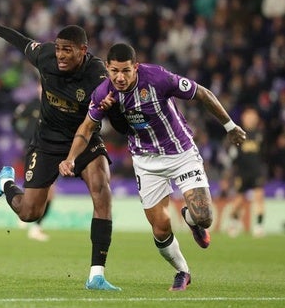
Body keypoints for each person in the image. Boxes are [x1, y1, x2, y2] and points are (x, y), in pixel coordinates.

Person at [0, 1, 129, 290]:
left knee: (102, 191)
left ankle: (96, 275)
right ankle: (5, 183)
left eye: (68, 50)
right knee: (30, 214)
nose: (61, 55)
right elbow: (20, 41)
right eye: (59, 48)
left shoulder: (99, 76)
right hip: (47, 142)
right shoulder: (45, 57)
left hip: (86, 138)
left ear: (83, 50)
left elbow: (119, 124)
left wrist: (112, 108)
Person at [59, 43, 247, 291]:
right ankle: (183, 271)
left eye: (126, 70)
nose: (120, 77)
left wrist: (230, 126)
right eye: (115, 71)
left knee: (204, 216)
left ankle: (191, 219)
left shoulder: (158, 78)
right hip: (146, 162)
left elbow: (202, 93)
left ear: (135, 67)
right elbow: (86, 127)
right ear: (107, 68)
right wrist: (71, 158)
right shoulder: (104, 94)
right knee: (160, 229)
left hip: (181, 152)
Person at [12, 95, 53, 242]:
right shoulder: (32, 104)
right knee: (34, 184)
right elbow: (15, 119)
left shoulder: (56, 103)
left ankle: (33, 224)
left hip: (51, 150)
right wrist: (24, 136)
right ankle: (29, 219)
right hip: (34, 149)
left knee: (48, 191)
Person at [227, 107, 266, 238]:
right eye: (248, 116)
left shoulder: (260, 135)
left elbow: (264, 155)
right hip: (242, 173)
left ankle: (259, 227)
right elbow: (233, 156)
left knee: (259, 197)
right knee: (238, 201)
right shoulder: (238, 134)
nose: (251, 119)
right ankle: (233, 223)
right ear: (244, 118)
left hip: (256, 172)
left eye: (253, 116)